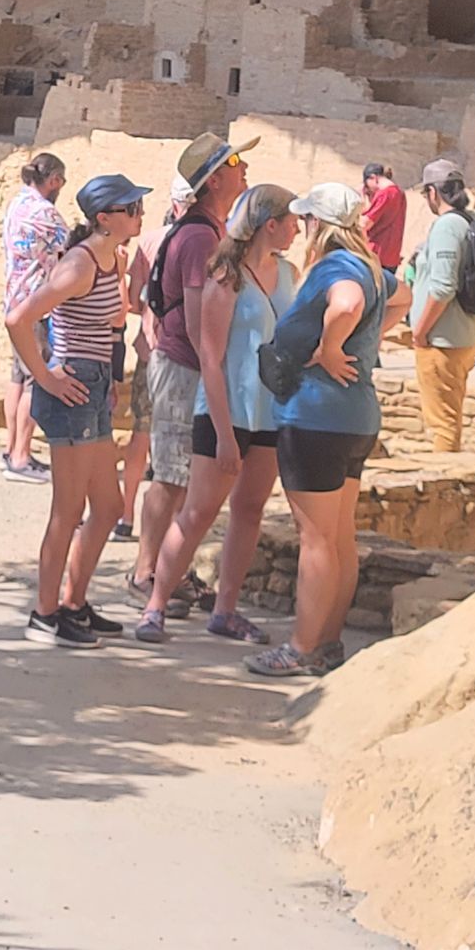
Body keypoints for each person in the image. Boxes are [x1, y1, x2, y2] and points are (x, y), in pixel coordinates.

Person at [246, 195, 410, 677]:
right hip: (356, 416)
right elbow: (404, 298)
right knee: (339, 538)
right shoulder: (371, 265)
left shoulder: (335, 266)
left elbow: (348, 304)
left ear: (319, 222)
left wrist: (330, 346)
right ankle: (327, 641)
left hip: (315, 415)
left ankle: (300, 648)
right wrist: (370, 339)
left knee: (315, 540)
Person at [133, 183, 299, 645]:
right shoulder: (227, 277)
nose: (297, 228)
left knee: (249, 509)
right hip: (226, 410)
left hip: (267, 411)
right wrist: (225, 435)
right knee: (199, 511)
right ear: (270, 224)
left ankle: (226, 608)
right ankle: (155, 604)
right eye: (291, 220)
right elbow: (211, 356)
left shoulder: (287, 274)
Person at [7, 173, 149, 647]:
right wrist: (44, 376)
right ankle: (45, 614)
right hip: (71, 388)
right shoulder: (80, 265)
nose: (139, 215)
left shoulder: (111, 259)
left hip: (93, 388)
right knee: (67, 511)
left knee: (108, 506)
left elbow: (111, 322)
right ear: (104, 219)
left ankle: (74, 602)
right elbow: (19, 318)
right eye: (131, 209)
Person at [129, 133, 255, 616]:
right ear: (215, 179)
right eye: (237, 163)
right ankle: (147, 571)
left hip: (179, 362)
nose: (246, 170)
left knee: (176, 473)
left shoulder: (204, 228)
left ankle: (164, 569)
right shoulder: (202, 236)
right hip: (183, 367)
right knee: (172, 475)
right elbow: (204, 320)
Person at [113, 175, 188, 541]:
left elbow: (132, 302)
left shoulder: (149, 242)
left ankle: (127, 516)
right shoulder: (212, 242)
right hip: (188, 357)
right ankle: (170, 525)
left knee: (141, 434)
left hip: (151, 348)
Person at [409, 159, 475, 454]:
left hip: (441, 338)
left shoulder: (447, 226)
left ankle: (442, 488)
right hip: (465, 333)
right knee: (450, 415)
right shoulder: (471, 220)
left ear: (433, 192)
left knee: (442, 423)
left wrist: (420, 331)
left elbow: (442, 287)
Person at [1, 153, 68, 484]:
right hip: (36, 305)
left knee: (16, 377)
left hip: (13, 299)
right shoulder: (46, 213)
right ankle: (21, 456)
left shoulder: (16, 204)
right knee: (35, 379)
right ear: (53, 179)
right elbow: (71, 248)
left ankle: (10, 448)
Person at [360, 162, 406, 273]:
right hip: (391, 256)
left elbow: (365, 224)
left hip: (378, 255)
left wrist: (362, 201)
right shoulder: (400, 193)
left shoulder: (385, 194)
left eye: (367, 185)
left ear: (373, 178)